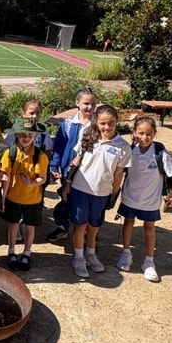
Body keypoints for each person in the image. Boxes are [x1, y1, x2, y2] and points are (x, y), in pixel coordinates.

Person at [62, 104, 132, 278]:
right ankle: (78, 257)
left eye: (111, 123)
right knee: (80, 225)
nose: (107, 127)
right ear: (96, 122)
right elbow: (77, 160)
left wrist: (114, 196)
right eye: (103, 123)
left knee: (94, 226)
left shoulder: (123, 147)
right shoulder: (87, 135)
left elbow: (118, 174)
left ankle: (91, 254)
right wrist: (68, 182)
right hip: (80, 189)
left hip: (102, 193)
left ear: (117, 122)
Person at [116, 116, 172, 282]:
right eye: (141, 133)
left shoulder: (159, 153)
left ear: (154, 134)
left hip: (150, 200)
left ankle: (149, 261)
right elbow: (119, 171)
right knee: (128, 222)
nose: (145, 137)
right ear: (134, 133)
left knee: (149, 229)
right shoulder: (130, 151)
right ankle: (126, 253)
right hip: (130, 196)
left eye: (149, 134)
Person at [47, 88, 97, 242]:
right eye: (86, 103)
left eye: (93, 103)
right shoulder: (68, 124)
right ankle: (63, 226)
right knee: (66, 197)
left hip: (90, 171)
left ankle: (89, 234)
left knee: (87, 201)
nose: (89, 107)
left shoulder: (98, 125)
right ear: (77, 103)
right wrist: (54, 166)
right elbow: (59, 147)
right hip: (68, 169)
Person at [0, 118, 49, 271]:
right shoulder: (10, 153)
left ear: (35, 136)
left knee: (30, 226)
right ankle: (12, 251)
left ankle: (27, 252)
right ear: (16, 136)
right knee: (13, 224)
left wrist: (31, 183)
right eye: (22, 135)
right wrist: (3, 196)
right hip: (13, 196)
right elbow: (6, 175)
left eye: (30, 135)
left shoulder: (40, 156)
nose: (26, 138)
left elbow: (43, 178)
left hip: (33, 199)